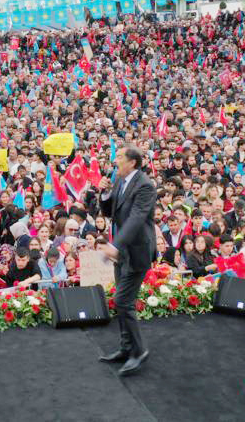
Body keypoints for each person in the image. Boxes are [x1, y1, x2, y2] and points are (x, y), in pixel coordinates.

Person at [98, 146, 157, 376]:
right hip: (122, 251)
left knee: (123, 301)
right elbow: (110, 212)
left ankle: (139, 351)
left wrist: (114, 245)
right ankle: (126, 348)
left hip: (137, 251)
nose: (115, 160)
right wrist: (103, 194)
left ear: (133, 162)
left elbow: (136, 219)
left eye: (119, 157)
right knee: (122, 302)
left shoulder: (145, 185)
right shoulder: (120, 180)